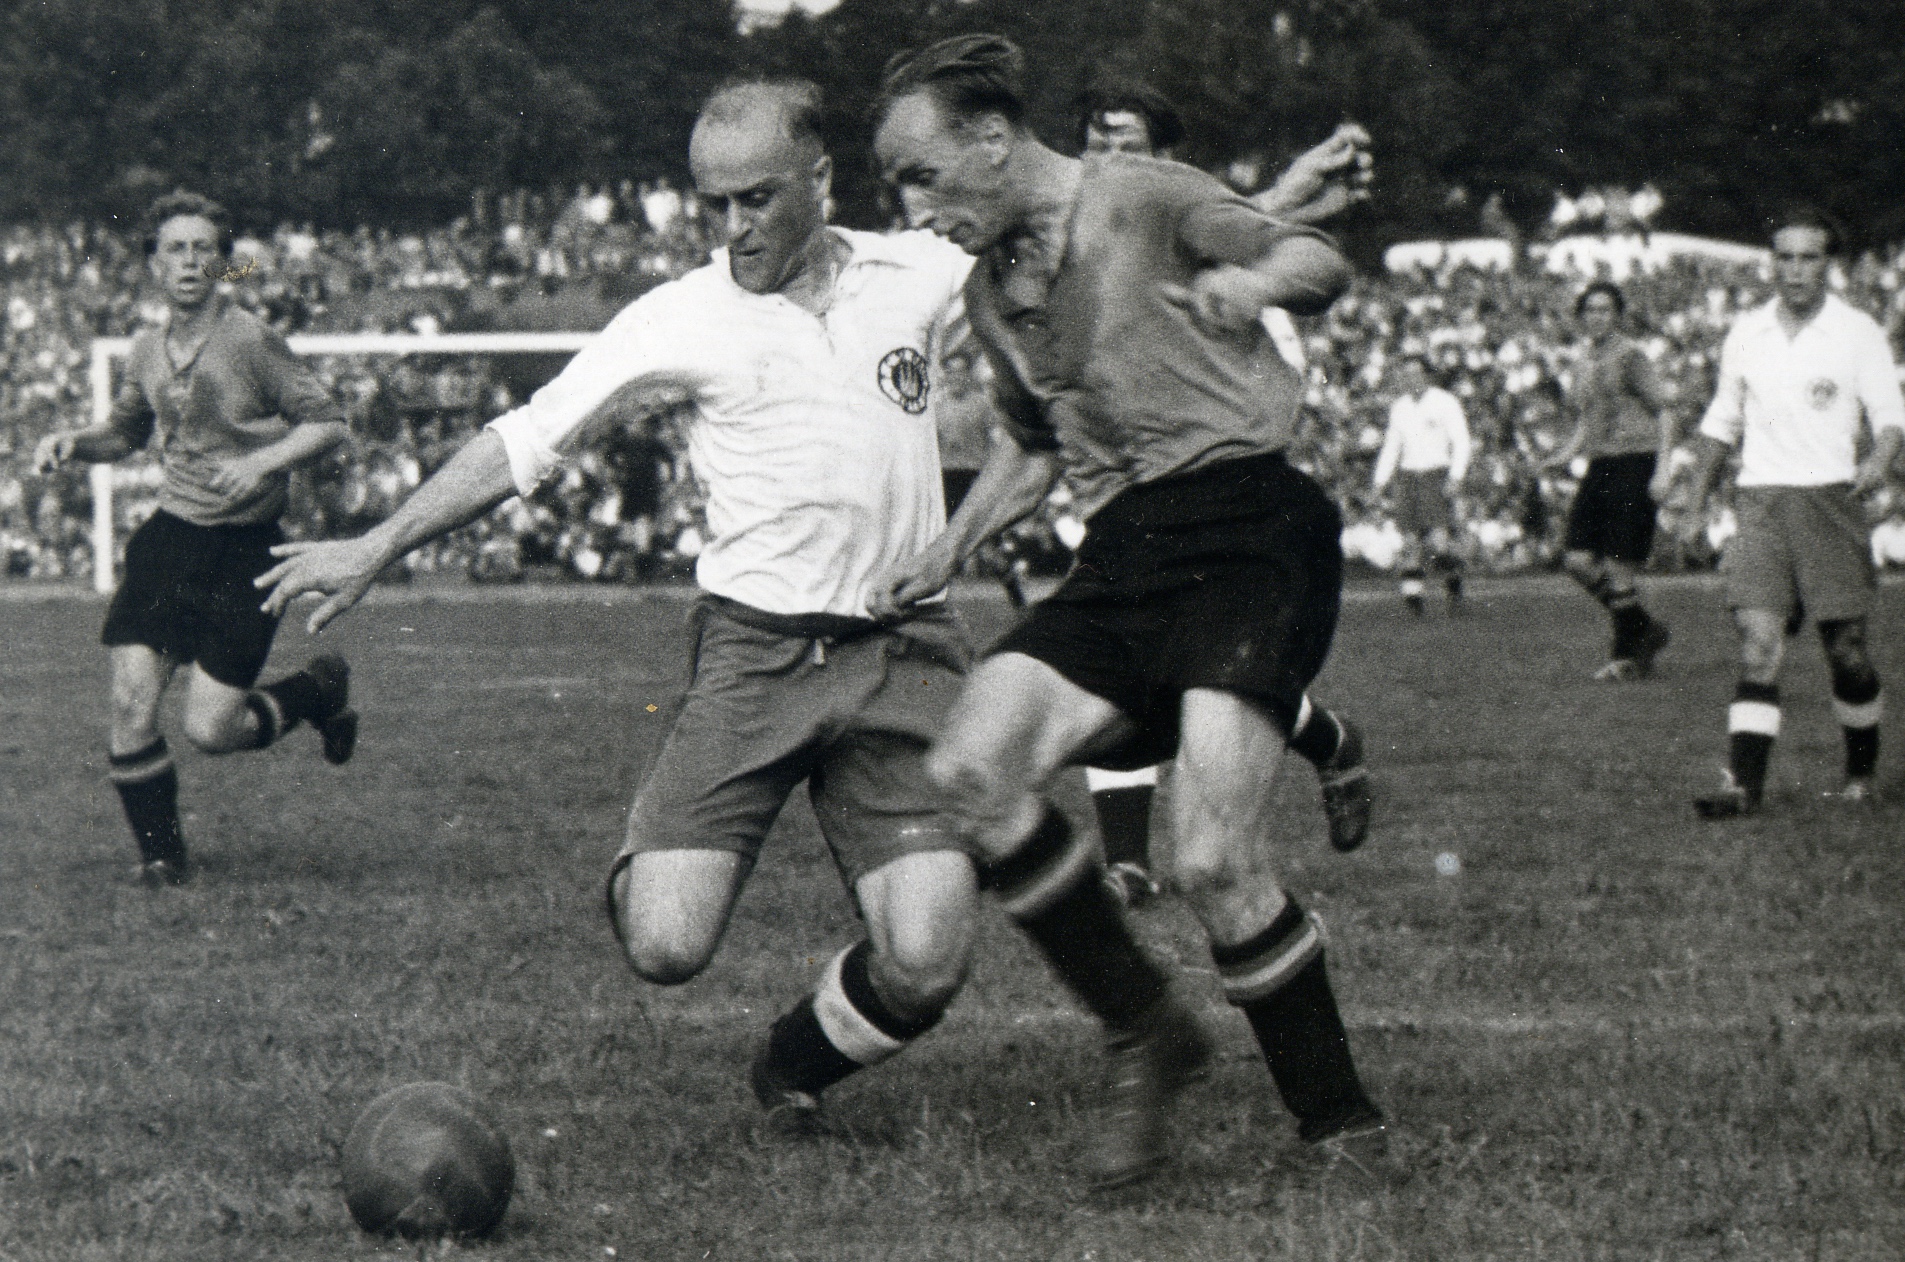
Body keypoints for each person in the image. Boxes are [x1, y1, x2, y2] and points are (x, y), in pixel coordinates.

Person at [257, 80, 1182, 1180]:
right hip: (755, 654)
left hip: (902, 652)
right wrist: (376, 545)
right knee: (665, 944)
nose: (733, 225)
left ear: (820, 180)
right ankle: (653, 858)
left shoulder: (920, 273)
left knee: (928, 963)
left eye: (756, 197)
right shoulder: (678, 317)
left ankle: (791, 1060)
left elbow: (1060, 231)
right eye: (714, 202)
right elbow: (523, 439)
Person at [870, 34, 1393, 1187]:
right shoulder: (986, 291)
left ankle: (1340, 1117)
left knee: (1210, 859)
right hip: (1127, 551)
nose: (913, 207)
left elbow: (1312, 257)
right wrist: (948, 549)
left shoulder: (1145, 195)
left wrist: (1249, 282)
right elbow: (1033, 437)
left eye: (922, 174)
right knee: (970, 765)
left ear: (994, 140)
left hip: (1251, 525)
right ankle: (1147, 1026)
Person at [1071, 82, 1377, 903]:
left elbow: (1220, 241)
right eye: (1096, 143)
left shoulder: (1182, 221)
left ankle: (1323, 740)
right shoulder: (1074, 222)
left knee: (1183, 666)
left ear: (1165, 155)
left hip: (1209, 462)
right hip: (1115, 479)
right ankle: (1128, 861)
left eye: (1127, 143)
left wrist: (1277, 211)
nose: (1108, 160)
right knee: (1131, 660)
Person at [33, 191, 357, 887]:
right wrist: (73, 442)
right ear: (154, 265)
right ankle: (162, 860)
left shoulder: (249, 340)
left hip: (245, 551)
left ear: (221, 263)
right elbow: (125, 433)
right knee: (129, 698)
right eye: (175, 248)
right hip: (170, 539)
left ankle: (317, 691)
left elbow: (329, 423)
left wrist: (261, 463)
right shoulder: (146, 349)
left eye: (202, 248)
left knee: (213, 731)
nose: (189, 260)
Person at [1679, 208, 1904, 816]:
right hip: (1762, 503)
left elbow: (1889, 415)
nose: (1795, 269)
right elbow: (1720, 423)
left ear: (1828, 264)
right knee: (1758, 643)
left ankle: (1861, 767)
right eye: (1785, 256)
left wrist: (1879, 459)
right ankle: (1742, 787)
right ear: (1770, 262)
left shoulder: (1858, 332)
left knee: (1846, 653)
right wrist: (1696, 503)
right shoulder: (1747, 332)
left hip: (1831, 501)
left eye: (1808, 257)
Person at [1544, 281, 1674, 679]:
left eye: (1605, 310)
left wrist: (1664, 469)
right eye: (1590, 310)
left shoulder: (1631, 356)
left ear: (1617, 315)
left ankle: (1624, 657)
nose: (1597, 317)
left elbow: (1666, 413)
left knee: (1619, 566)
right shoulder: (1583, 360)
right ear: (1581, 316)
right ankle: (1642, 627)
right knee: (1577, 560)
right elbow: (1588, 418)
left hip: (1635, 461)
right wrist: (1564, 453)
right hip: (1600, 465)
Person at [1371, 356, 1471, 614]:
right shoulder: (1400, 407)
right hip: (1407, 476)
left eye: (1416, 374)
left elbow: (1461, 441)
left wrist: (1456, 476)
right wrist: (1379, 481)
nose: (1410, 379)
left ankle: (1453, 588)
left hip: (1435, 474)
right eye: (1406, 375)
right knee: (1410, 541)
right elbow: (1392, 446)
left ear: (1427, 375)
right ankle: (1414, 600)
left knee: (1439, 541)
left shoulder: (1445, 402)